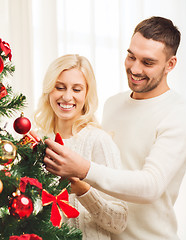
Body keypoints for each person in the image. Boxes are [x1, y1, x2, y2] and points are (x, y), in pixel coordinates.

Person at [43, 16, 186, 240]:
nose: (134, 68)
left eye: (147, 62)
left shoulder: (179, 116)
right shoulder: (113, 104)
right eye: (131, 56)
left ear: (170, 64)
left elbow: (151, 186)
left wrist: (83, 169)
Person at [33, 54, 128, 239]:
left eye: (77, 89)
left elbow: (119, 222)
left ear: (87, 94)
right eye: (59, 87)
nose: (67, 96)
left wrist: (83, 191)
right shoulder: (38, 141)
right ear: (49, 90)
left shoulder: (99, 141)